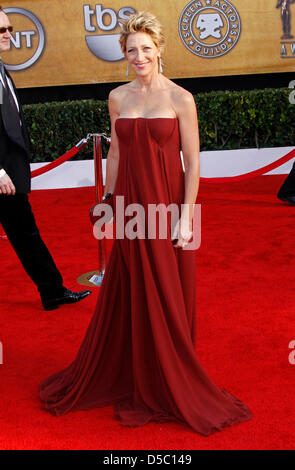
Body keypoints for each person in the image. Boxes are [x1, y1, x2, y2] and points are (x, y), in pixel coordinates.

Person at [40, 11, 253, 435]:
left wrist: (187, 217)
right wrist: (108, 201)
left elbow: (192, 163)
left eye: (146, 49)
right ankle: (136, 370)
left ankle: (171, 378)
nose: (139, 56)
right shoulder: (118, 98)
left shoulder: (181, 99)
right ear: (124, 53)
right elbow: (116, 155)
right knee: (133, 284)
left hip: (169, 207)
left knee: (171, 292)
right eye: (132, 50)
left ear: (159, 50)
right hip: (132, 206)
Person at [0, 7, 91, 311]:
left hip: (10, 174)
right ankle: (52, 291)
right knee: (26, 234)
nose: (8, 35)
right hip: (2, 175)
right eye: (2, 31)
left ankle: (52, 291)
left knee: (26, 234)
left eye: (9, 29)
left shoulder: (1, 68)